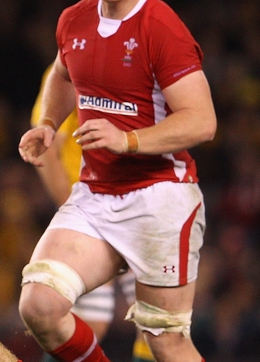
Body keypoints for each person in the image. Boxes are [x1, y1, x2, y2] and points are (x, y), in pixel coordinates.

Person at [17, 0, 216, 362]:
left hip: (160, 196)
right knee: (40, 305)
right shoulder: (74, 20)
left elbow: (202, 122)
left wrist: (127, 140)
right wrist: (48, 122)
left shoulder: (163, 29)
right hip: (96, 194)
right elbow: (63, 74)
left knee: (164, 338)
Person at [30, 66, 154, 362]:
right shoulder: (72, 67)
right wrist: (75, 213)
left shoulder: (138, 65)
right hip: (93, 207)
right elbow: (46, 146)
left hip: (135, 206)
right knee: (93, 321)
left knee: (153, 323)